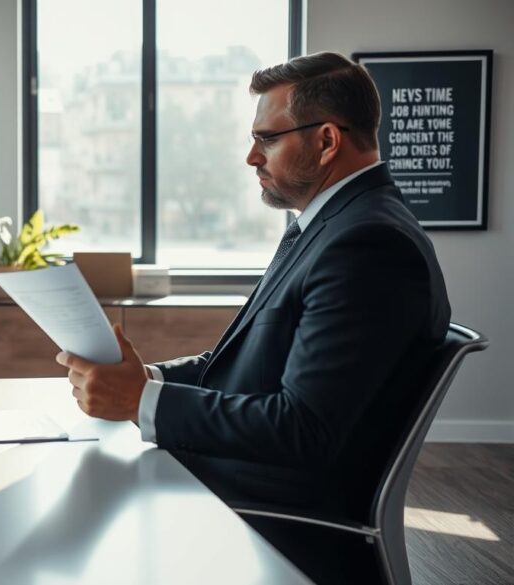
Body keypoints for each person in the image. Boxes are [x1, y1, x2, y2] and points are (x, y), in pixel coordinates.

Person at [57, 52, 451, 519]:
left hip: (269, 513)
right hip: (238, 482)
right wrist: (146, 378)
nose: (251, 157)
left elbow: (304, 430)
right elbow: (244, 367)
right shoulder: (331, 227)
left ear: (327, 140)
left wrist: (140, 400)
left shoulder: (368, 246)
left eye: (267, 139)